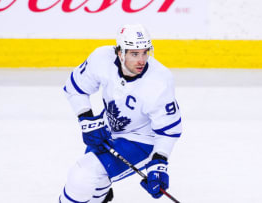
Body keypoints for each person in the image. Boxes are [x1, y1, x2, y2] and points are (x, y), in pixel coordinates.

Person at [59, 24, 182, 203]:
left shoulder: (160, 81)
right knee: (95, 183)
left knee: (83, 175)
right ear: (120, 53)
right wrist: (86, 119)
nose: (141, 60)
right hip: (108, 127)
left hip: (141, 140)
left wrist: (159, 161)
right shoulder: (101, 59)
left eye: (145, 52)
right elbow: (75, 88)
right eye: (134, 53)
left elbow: (169, 129)